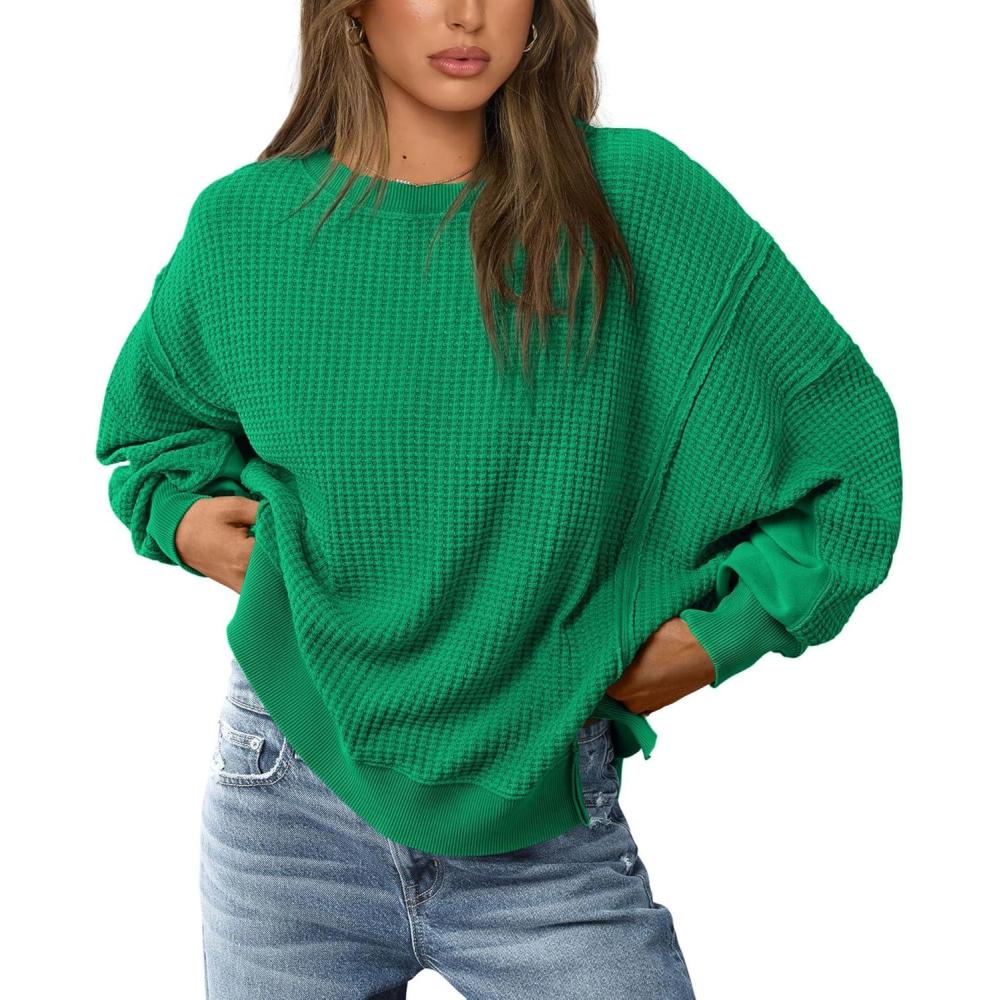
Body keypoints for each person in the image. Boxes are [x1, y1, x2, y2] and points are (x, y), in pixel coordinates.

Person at [94, 2, 903, 997]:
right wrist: (179, 521)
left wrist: (720, 637)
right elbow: (154, 435)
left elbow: (847, 461)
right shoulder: (245, 226)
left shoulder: (637, 199)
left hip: (541, 812)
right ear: (352, 12)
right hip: (285, 806)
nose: (467, 13)